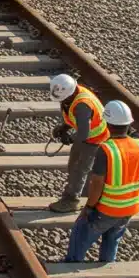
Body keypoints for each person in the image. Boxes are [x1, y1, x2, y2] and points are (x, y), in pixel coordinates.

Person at [64, 100, 139, 264]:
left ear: (108, 124)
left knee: (80, 231)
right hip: (131, 207)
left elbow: (97, 184)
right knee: (112, 238)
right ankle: (107, 264)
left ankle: (71, 264)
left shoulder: (106, 149)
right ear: (129, 123)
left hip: (108, 208)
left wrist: (88, 208)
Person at [47, 74, 111, 213]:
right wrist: (64, 127)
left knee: (79, 168)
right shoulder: (71, 94)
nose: (61, 101)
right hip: (87, 136)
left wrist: (70, 138)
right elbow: (73, 116)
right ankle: (88, 194)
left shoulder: (82, 105)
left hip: (95, 139)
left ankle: (71, 200)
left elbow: (83, 133)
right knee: (75, 166)